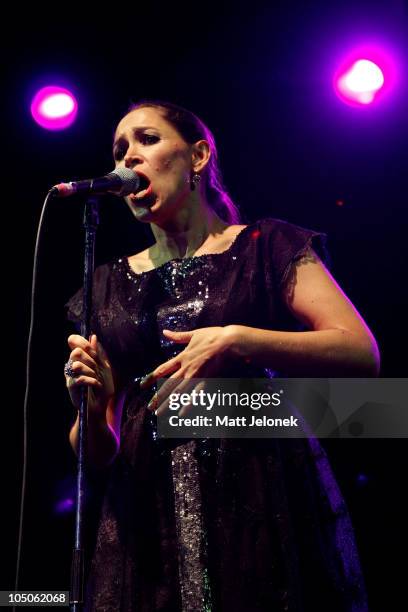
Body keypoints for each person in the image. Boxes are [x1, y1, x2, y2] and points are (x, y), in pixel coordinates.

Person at [64, 100, 380, 612]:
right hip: (149, 518)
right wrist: (93, 406)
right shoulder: (106, 286)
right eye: (120, 149)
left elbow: (359, 350)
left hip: (259, 490)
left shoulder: (265, 246)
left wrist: (237, 339)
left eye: (147, 140)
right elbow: (95, 451)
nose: (128, 159)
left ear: (198, 156)